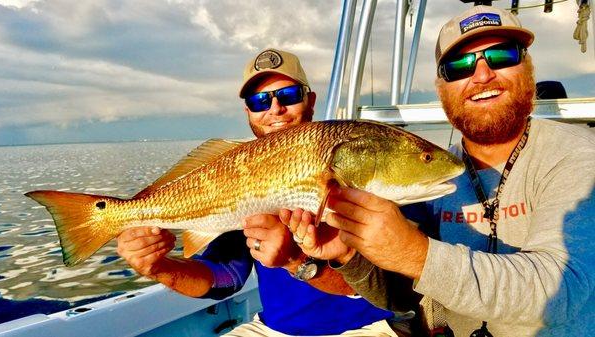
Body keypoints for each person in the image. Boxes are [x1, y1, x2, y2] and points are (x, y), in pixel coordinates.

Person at [284, 5, 595, 336]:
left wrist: (418, 255)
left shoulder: (577, 154)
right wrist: (349, 254)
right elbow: (401, 295)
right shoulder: (431, 177)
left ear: (528, 67)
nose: (482, 74)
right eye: (458, 66)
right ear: (441, 88)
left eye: (502, 55)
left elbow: (563, 288)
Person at [116, 48, 406, 336]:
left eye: (289, 95)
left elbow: (393, 288)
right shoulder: (238, 173)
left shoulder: (361, 167)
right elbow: (224, 277)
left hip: (368, 327)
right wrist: (157, 266)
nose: (275, 109)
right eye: (259, 101)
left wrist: (295, 260)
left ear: (310, 100)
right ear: (248, 113)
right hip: (273, 330)